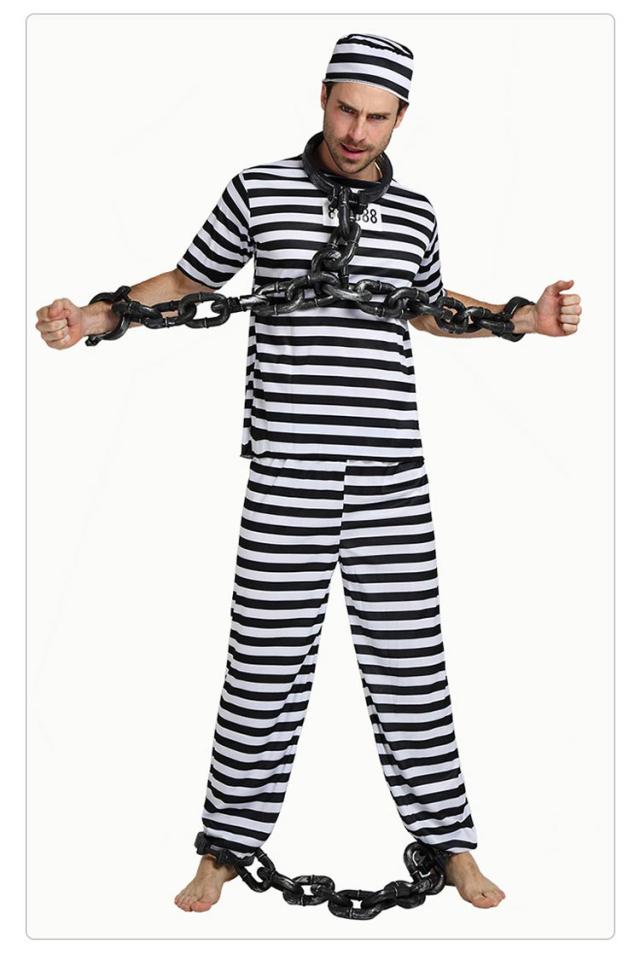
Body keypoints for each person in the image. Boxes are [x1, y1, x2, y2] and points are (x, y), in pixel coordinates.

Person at [35, 32, 581, 914]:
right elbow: (188, 279)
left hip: (390, 469)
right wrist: (97, 317)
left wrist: (525, 318)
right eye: (347, 110)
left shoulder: (417, 212)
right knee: (262, 662)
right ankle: (223, 847)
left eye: (378, 117)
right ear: (322, 96)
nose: (358, 132)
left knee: (412, 662)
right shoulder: (258, 189)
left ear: (401, 117)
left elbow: (431, 310)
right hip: (288, 467)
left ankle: (451, 844)